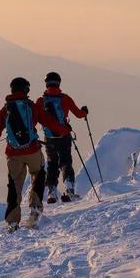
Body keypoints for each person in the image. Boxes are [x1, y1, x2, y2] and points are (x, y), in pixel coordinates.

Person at [0, 77, 71, 231]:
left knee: (14, 185)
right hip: (32, 150)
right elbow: (49, 122)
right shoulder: (31, 106)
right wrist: (64, 131)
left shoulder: (6, 109)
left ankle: (13, 221)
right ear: (26, 90)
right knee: (38, 176)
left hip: (13, 154)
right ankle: (35, 209)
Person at [36, 72, 88, 203]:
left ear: (46, 83)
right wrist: (84, 112)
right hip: (64, 136)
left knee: (52, 163)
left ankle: (52, 193)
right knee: (66, 162)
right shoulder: (65, 99)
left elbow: (34, 119)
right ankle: (69, 190)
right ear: (59, 82)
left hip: (49, 138)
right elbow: (78, 114)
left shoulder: (40, 101)